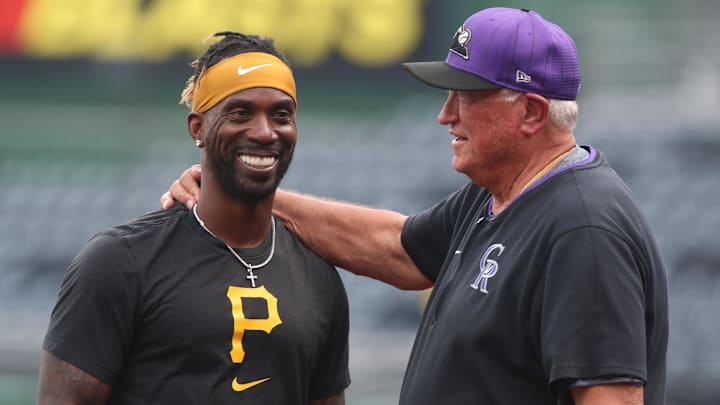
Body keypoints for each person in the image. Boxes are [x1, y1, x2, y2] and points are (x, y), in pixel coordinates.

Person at [162, 8, 668, 405]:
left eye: (465, 96)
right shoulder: (499, 193)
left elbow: (612, 399)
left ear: (531, 113)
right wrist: (250, 198)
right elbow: (400, 250)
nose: (445, 115)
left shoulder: (582, 228)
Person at [38, 32, 350, 405]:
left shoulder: (318, 275)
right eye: (240, 112)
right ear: (197, 128)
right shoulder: (120, 262)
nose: (266, 132)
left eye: (281, 114)